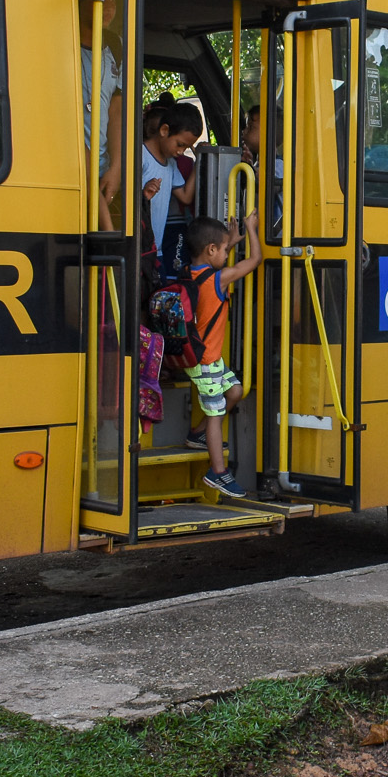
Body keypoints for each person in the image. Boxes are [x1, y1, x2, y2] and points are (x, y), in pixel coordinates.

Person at [179, 210, 264, 497]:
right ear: (211, 249)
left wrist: (232, 239)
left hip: (209, 359)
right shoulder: (219, 280)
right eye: (225, 249)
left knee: (236, 391)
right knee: (216, 415)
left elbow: (220, 258)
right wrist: (251, 229)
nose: (228, 254)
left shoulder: (191, 274)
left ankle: (197, 435)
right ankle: (217, 472)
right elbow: (254, 261)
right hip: (206, 362)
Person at [128, 99, 202, 288]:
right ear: (164, 131)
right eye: (179, 144)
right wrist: (143, 194)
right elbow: (124, 200)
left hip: (156, 250)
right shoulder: (140, 155)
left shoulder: (170, 164)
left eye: (186, 148)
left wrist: (199, 162)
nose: (180, 151)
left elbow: (185, 196)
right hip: (136, 247)